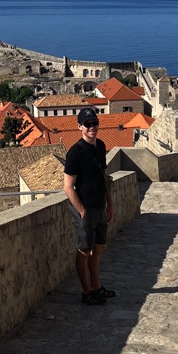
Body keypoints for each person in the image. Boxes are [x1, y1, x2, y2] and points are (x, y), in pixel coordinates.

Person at [63, 108, 115, 305]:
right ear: (80, 127)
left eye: (94, 123)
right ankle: (86, 291)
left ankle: (96, 286)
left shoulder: (100, 146)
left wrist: (109, 203)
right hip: (85, 208)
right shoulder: (74, 153)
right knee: (84, 250)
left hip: (100, 205)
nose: (92, 127)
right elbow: (68, 186)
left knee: (99, 247)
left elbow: (103, 177)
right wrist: (82, 211)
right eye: (87, 124)